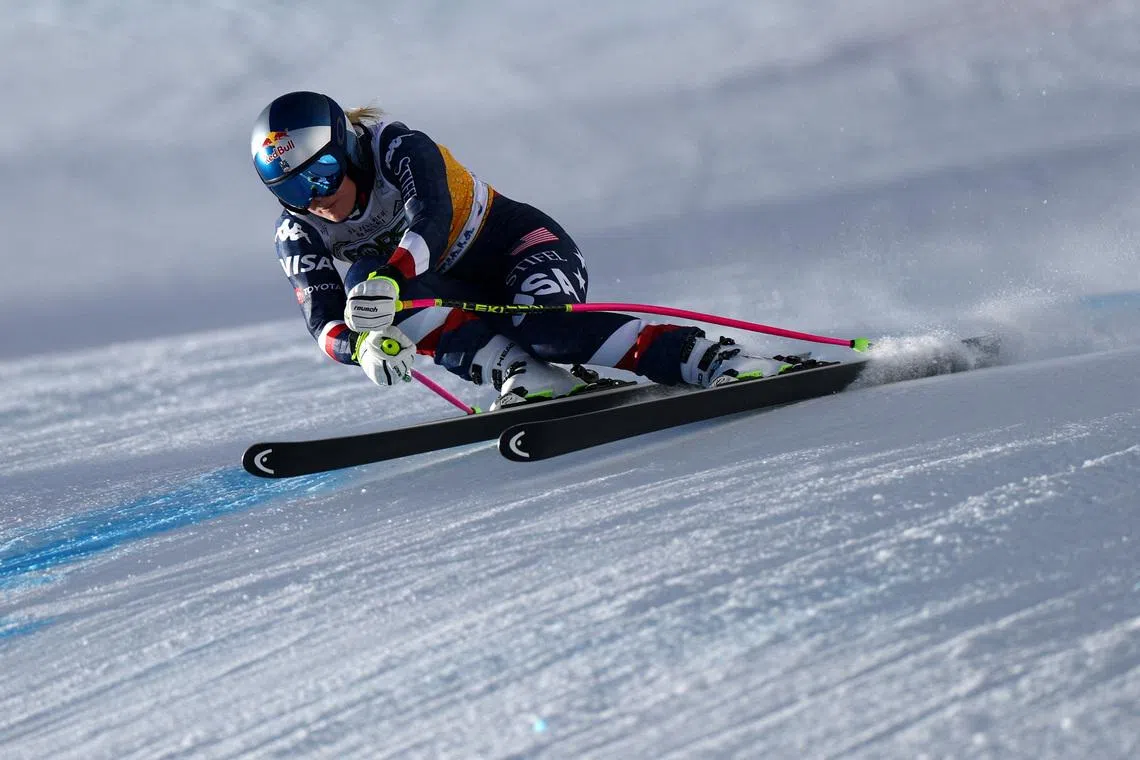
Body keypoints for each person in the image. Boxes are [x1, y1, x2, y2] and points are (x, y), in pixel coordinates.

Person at [250, 91, 814, 409]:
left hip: (518, 246)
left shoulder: (396, 146)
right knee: (364, 294)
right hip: (452, 287)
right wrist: (364, 349)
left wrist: (393, 276)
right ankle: (523, 373)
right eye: (291, 190)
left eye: (321, 174)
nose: (316, 200)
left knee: (546, 329)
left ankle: (716, 358)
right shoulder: (298, 230)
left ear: (346, 148)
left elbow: (433, 218)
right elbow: (321, 319)